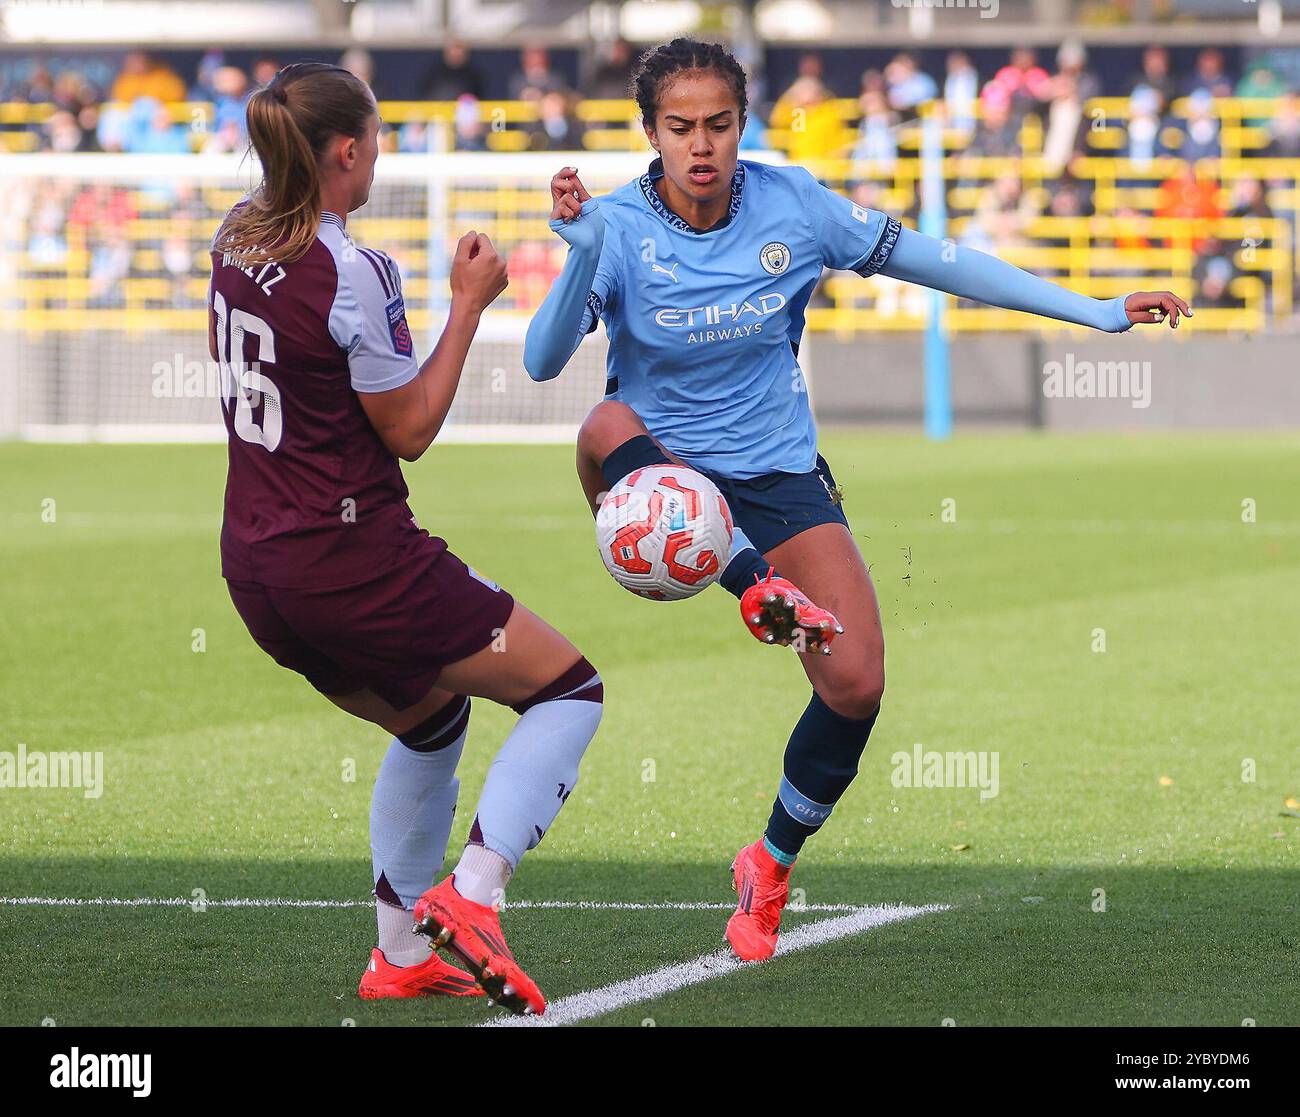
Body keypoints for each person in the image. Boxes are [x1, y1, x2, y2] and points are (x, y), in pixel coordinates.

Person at [522, 37, 1190, 964]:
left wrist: (1098, 309)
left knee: (857, 681)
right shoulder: (618, 227)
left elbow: (943, 261)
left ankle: (770, 857)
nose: (701, 144)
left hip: (778, 473)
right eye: (680, 128)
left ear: (742, 125)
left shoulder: (795, 203)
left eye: (719, 123)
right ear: (651, 133)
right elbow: (541, 361)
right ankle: (752, 583)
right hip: (653, 468)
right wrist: (580, 254)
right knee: (600, 419)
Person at [210, 62, 604, 1016]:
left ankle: (397, 954)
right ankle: (473, 896)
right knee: (568, 689)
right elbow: (411, 431)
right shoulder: (353, 269)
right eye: (377, 139)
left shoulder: (233, 235)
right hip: (353, 562)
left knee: (429, 719)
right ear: (348, 149)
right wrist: (470, 304)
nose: (380, 154)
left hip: (256, 568)